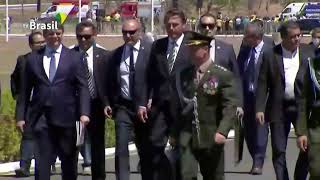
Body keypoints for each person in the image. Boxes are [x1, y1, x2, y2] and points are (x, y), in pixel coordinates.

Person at [15, 23, 91, 180]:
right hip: (41, 119)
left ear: (62, 33)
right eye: (51, 33)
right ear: (44, 34)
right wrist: (20, 116)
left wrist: (84, 113)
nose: (55, 36)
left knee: (69, 163)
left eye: (58, 33)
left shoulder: (74, 57)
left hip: (68, 119)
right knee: (42, 163)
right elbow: (24, 90)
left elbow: (83, 87)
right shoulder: (33, 59)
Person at [173, 31, 236, 180]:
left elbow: (230, 105)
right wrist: (174, 132)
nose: (190, 51)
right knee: (186, 175)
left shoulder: (222, 75)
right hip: (187, 136)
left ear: (205, 49)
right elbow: (178, 104)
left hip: (211, 135)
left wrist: (223, 130)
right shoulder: (184, 74)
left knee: (214, 176)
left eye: (194, 48)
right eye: (189, 48)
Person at [255, 21, 314, 180]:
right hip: (278, 108)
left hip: (302, 108)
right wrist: (260, 107)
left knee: (308, 147)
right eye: (293, 37)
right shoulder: (270, 54)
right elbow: (262, 83)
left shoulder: (309, 53)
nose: (297, 39)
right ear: (283, 38)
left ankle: (299, 177)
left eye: (299, 35)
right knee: (279, 150)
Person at [136, 8, 191, 180]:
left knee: (183, 148)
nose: (171, 28)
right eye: (168, 25)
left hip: (184, 107)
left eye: (175, 25)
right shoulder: (158, 46)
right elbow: (149, 76)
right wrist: (143, 102)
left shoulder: (192, 45)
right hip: (160, 106)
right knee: (155, 143)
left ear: (184, 24)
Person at [108, 18, 152, 180]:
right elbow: (111, 80)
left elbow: (157, 79)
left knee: (145, 148)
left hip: (144, 109)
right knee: (121, 148)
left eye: (131, 32)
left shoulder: (150, 52)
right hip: (123, 107)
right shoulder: (117, 54)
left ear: (139, 32)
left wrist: (151, 98)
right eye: (124, 32)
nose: (128, 36)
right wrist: (109, 103)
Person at [73, 20, 111, 180]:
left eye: (87, 36)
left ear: (94, 35)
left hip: (96, 106)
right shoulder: (70, 55)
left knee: (97, 146)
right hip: (75, 108)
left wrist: (108, 104)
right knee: (74, 145)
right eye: (80, 36)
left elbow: (109, 83)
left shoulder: (104, 55)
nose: (83, 40)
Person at [237, 22, 273, 175]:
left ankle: (258, 162)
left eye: (247, 36)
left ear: (255, 37)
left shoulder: (269, 50)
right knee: (248, 131)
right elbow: (238, 72)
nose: (244, 38)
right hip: (246, 97)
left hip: (263, 97)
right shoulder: (245, 50)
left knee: (260, 129)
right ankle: (255, 157)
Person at [197, 13, 244, 125]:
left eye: (211, 26)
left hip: (221, 105)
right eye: (204, 26)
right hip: (199, 105)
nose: (207, 29)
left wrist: (239, 104)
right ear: (199, 27)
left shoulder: (226, 49)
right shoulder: (191, 49)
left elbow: (235, 77)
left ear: (216, 28)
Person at [11, 31, 46, 177]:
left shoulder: (50, 59)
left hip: (46, 104)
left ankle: (47, 163)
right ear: (31, 45)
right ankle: (24, 166)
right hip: (29, 105)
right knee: (28, 135)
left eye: (43, 42)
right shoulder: (23, 60)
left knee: (46, 135)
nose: (41, 45)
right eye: (38, 43)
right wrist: (18, 96)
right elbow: (15, 79)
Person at [296, 49, 320, 180]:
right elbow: (302, 102)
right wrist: (301, 132)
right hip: (317, 126)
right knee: (316, 170)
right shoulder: (311, 67)